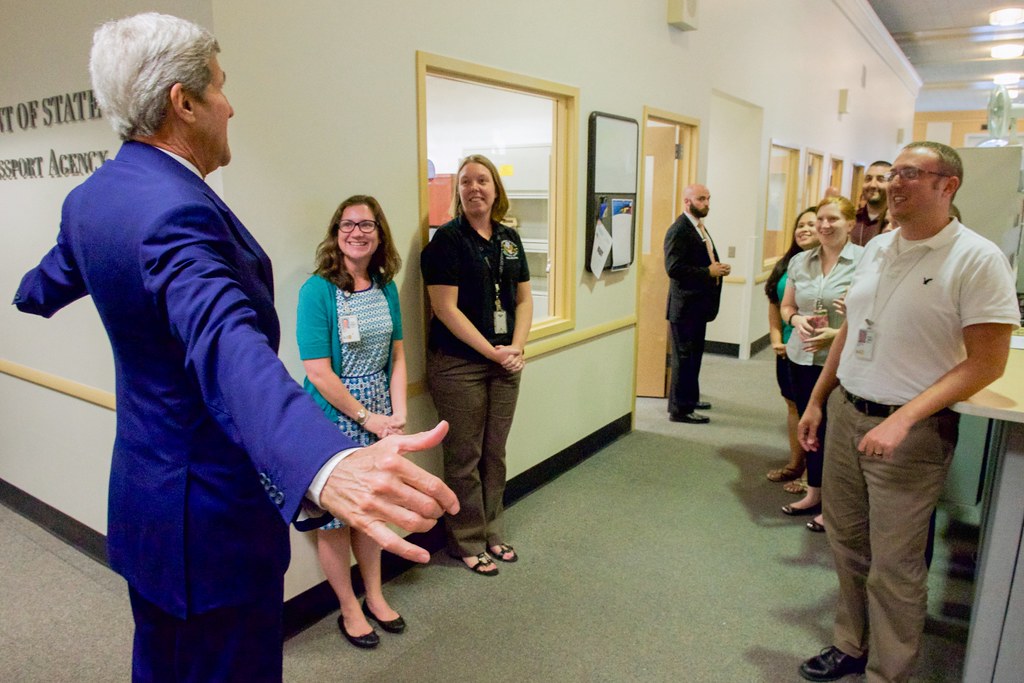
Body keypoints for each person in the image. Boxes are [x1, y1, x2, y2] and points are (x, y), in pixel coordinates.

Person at [12, 13, 458, 681]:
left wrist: (34, 290)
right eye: (220, 87)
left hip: (146, 505)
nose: (230, 104)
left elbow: (38, 287)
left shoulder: (93, 200)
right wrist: (325, 462)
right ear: (182, 103)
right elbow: (226, 346)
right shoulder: (176, 213)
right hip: (211, 527)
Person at [797, 142, 1019, 683]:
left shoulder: (976, 257)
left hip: (911, 432)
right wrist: (818, 399)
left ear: (948, 186)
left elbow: (987, 363)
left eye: (911, 174)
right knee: (846, 545)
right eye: (893, 173)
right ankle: (850, 644)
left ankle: (888, 672)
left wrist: (903, 418)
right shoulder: (878, 248)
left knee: (895, 566)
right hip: (849, 411)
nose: (893, 184)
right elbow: (852, 330)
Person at [297, 195, 411, 649]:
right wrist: (370, 417)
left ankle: (376, 595)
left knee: (371, 511)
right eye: (348, 224)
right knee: (336, 520)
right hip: (332, 415)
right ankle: (348, 605)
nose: (357, 232)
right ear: (336, 232)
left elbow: (398, 356)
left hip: (380, 413)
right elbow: (317, 371)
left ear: (380, 233)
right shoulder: (318, 290)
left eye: (367, 224)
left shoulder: (386, 286)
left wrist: (397, 414)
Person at [421, 154, 532, 576]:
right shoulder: (446, 242)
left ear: (495, 189)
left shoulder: (508, 239)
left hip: (506, 362)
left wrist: (517, 346)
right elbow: (445, 309)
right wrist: (493, 351)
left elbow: (524, 298)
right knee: (464, 456)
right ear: (458, 191)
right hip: (459, 365)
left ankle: (493, 532)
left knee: (495, 452)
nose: (474, 188)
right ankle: (466, 541)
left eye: (482, 180)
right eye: (466, 182)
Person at [779, 196, 863, 534]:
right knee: (810, 430)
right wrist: (796, 319)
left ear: (850, 224)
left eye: (833, 220)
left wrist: (837, 333)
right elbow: (786, 307)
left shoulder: (865, 261)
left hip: (840, 360)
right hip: (801, 356)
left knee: (837, 435)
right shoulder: (801, 261)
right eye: (820, 220)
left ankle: (834, 507)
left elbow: (870, 315)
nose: (824, 226)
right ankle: (813, 493)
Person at [664, 183, 731, 424]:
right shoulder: (679, 230)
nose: (706, 204)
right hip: (684, 308)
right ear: (687, 201)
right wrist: (708, 272)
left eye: (708, 199)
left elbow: (702, 259)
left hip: (699, 307)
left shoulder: (699, 228)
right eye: (701, 199)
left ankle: (690, 398)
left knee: (694, 356)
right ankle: (680, 409)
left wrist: (717, 269)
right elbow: (674, 269)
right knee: (684, 359)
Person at [764, 208, 819, 489]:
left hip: (814, 350)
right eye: (800, 225)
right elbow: (775, 305)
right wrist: (776, 339)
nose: (805, 229)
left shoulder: (827, 266)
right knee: (792, 404)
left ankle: (813, 475)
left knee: (813, 408)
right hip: (786, 347)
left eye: (812, 224)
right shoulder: (786, 265)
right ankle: (795, 464)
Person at [850, 161, 892, 246]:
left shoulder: (895, 223)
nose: (872, 185)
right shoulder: (852, 218)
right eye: (868, 179)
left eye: (880, 179)